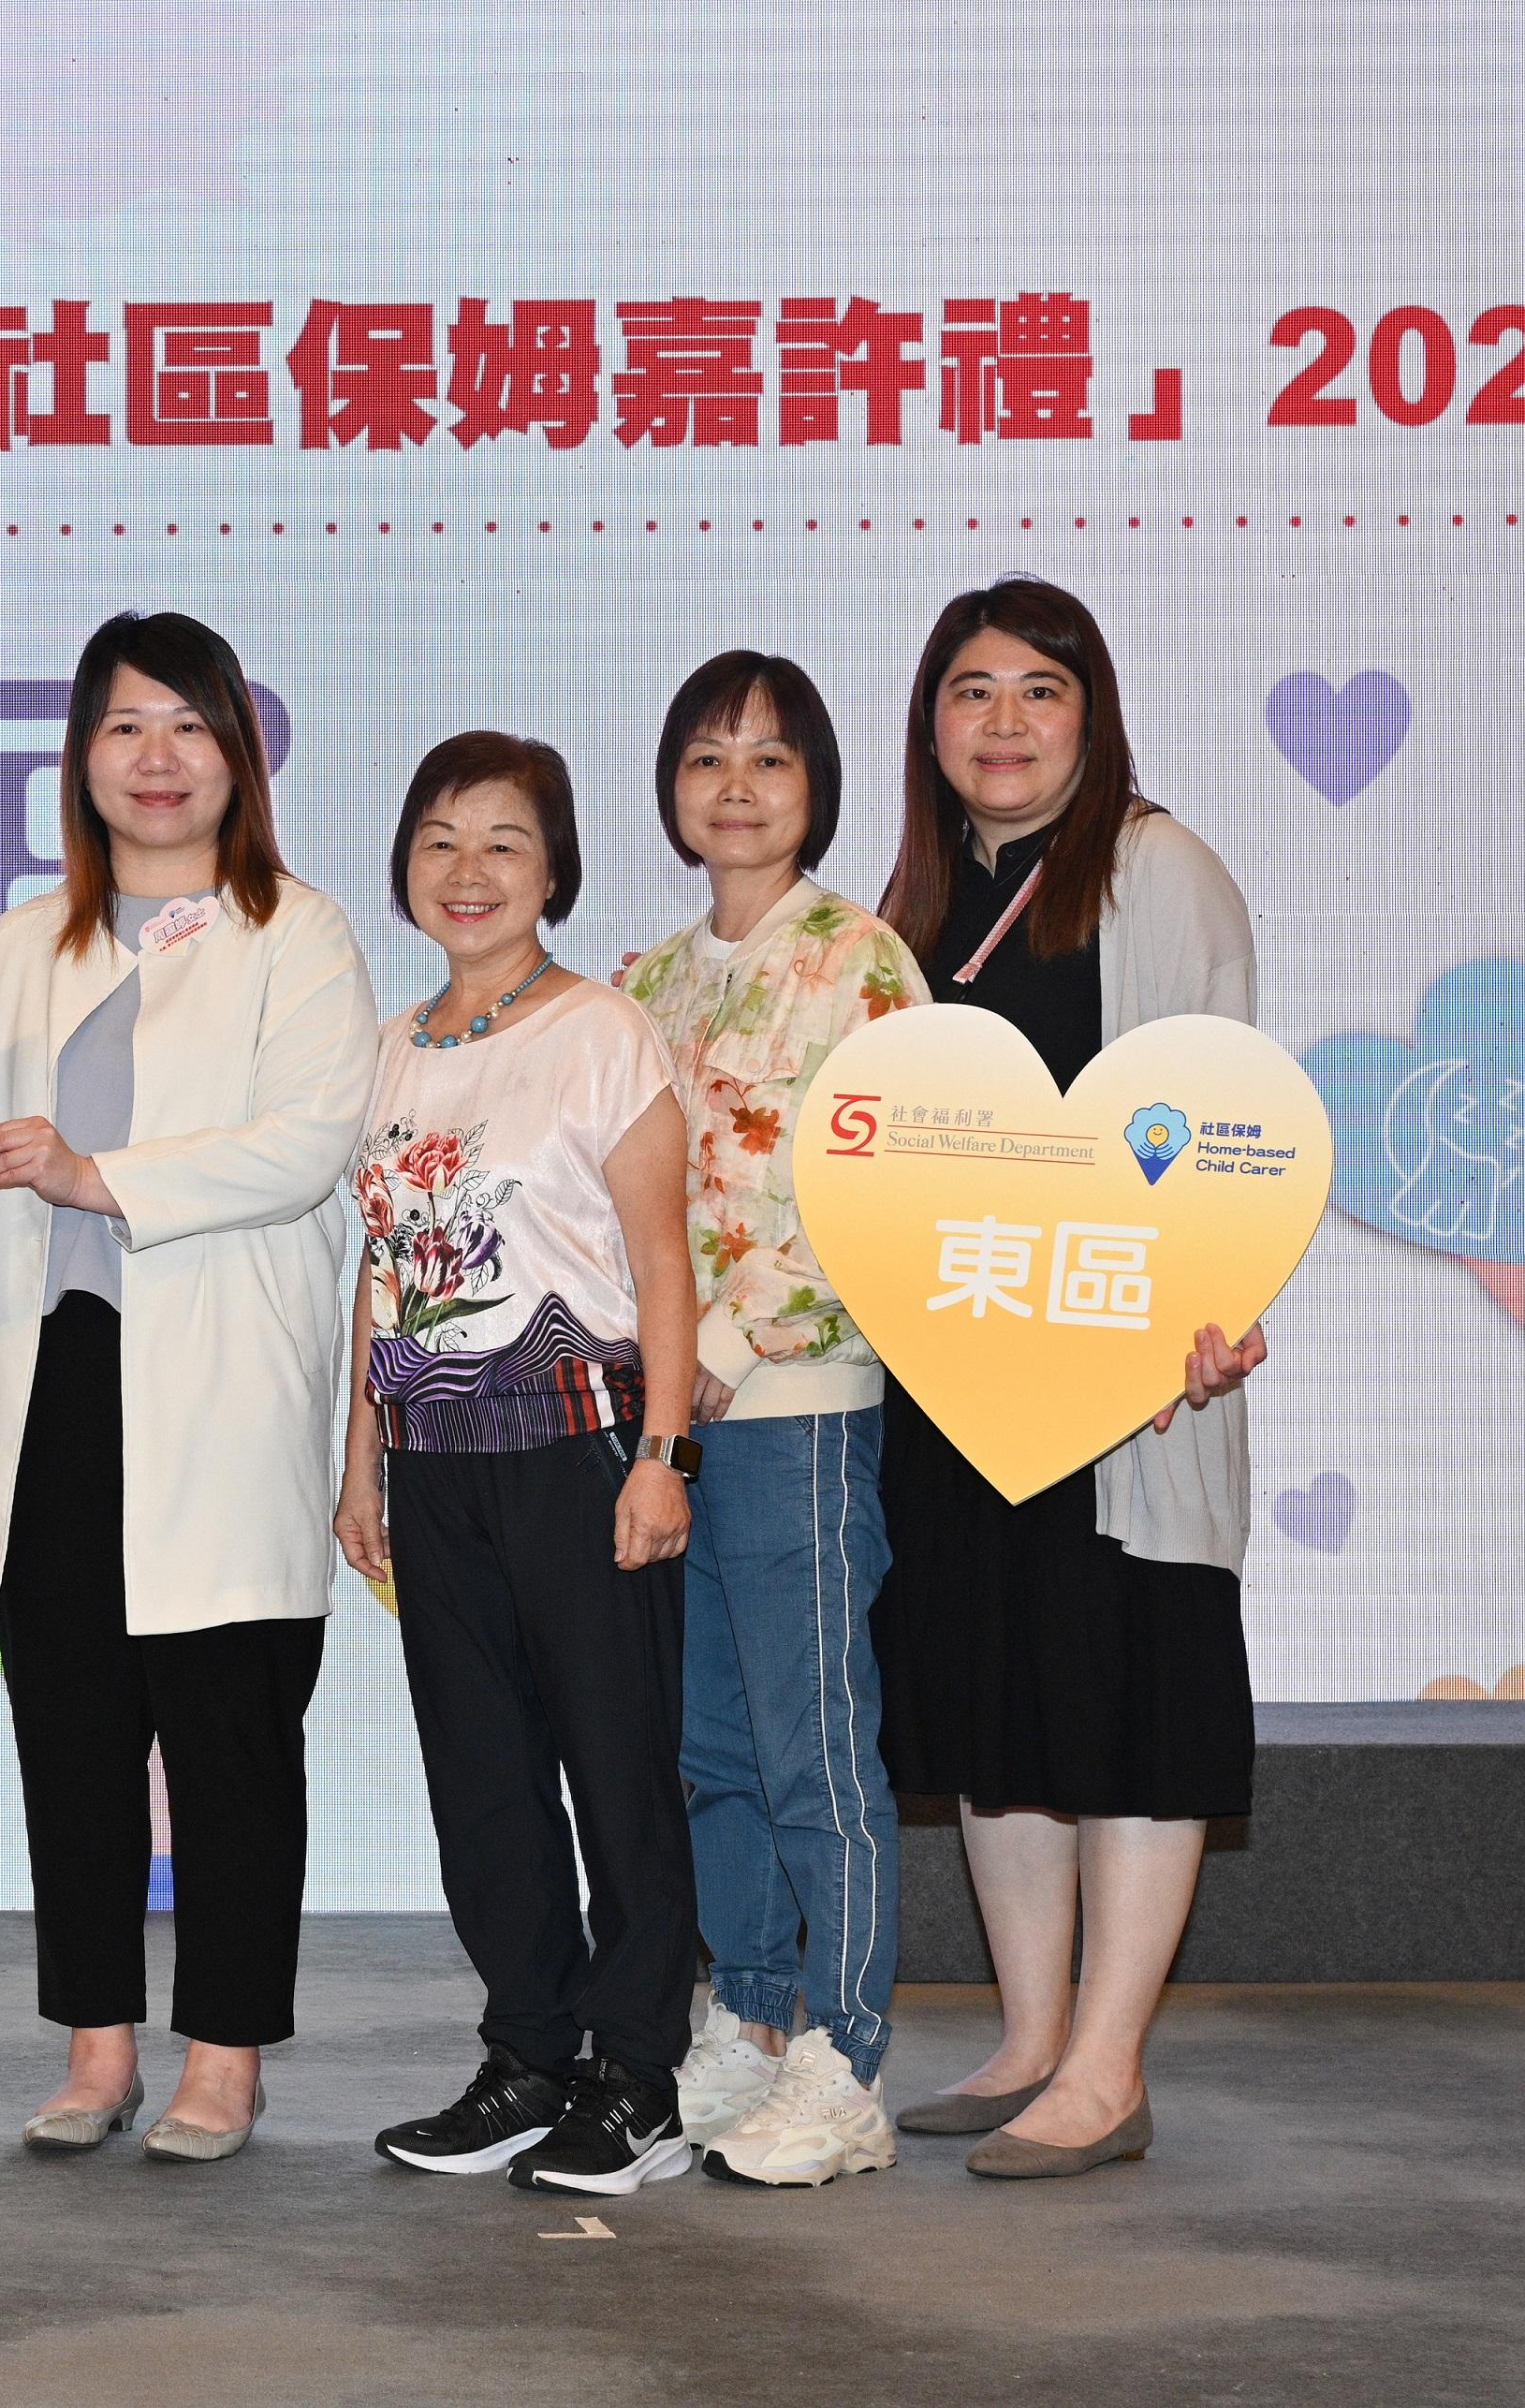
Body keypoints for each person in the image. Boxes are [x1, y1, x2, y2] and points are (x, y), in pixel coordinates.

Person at [0, 612, 375, 2163]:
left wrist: (92, 1171)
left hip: (224, 1385)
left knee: (230, 1737)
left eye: (188, 726)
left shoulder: (301, 937)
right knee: (69, 1728)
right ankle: (96, 2043)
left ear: (237, 757)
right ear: (79, 756)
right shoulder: (18, 943)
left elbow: (309, 1141)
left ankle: (225, 2059)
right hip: (57, 1375)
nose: (156, 758)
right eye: (126, 726)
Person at [868, 578, 1267, 2180]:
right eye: (972, 691)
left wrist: (1210, 1301)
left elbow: (1227, 1107)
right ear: (932, 723)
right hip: (960, 1382)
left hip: (1128, 1383)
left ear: (1092, 715)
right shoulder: (910, 904)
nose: (1006, 722)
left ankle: (1108, 2069)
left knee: (1131, 1704)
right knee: (998, 1709)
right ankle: (1033, 2038)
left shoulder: (1153, 865)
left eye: (1041, 689)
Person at [339, 733, 703, 2195]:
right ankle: (528, 2053)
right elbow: (381, 1269)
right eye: (439, 839)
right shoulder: (390, 1046)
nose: (469, 870)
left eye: (503, 841)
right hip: (432, 1465)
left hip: (580, 1445)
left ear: (553, 869)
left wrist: (663, 1453)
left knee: (618, 1773)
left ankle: (638, 2080)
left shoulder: (605, 1034)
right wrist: (361, 1463)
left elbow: (664, 1263)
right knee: (482, 1781)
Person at [618, 654, 925, 2189]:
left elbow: (877, 1198)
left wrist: (722, 1348)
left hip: (796, 1403)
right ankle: (742, 2021)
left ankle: (848, 2055)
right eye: (707, 758)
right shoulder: (643, 979)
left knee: (816, 1745)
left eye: (771, 760)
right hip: (667, 1422)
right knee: (711, 1747)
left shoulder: (862, 965)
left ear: (817, 789)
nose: (736, 786)